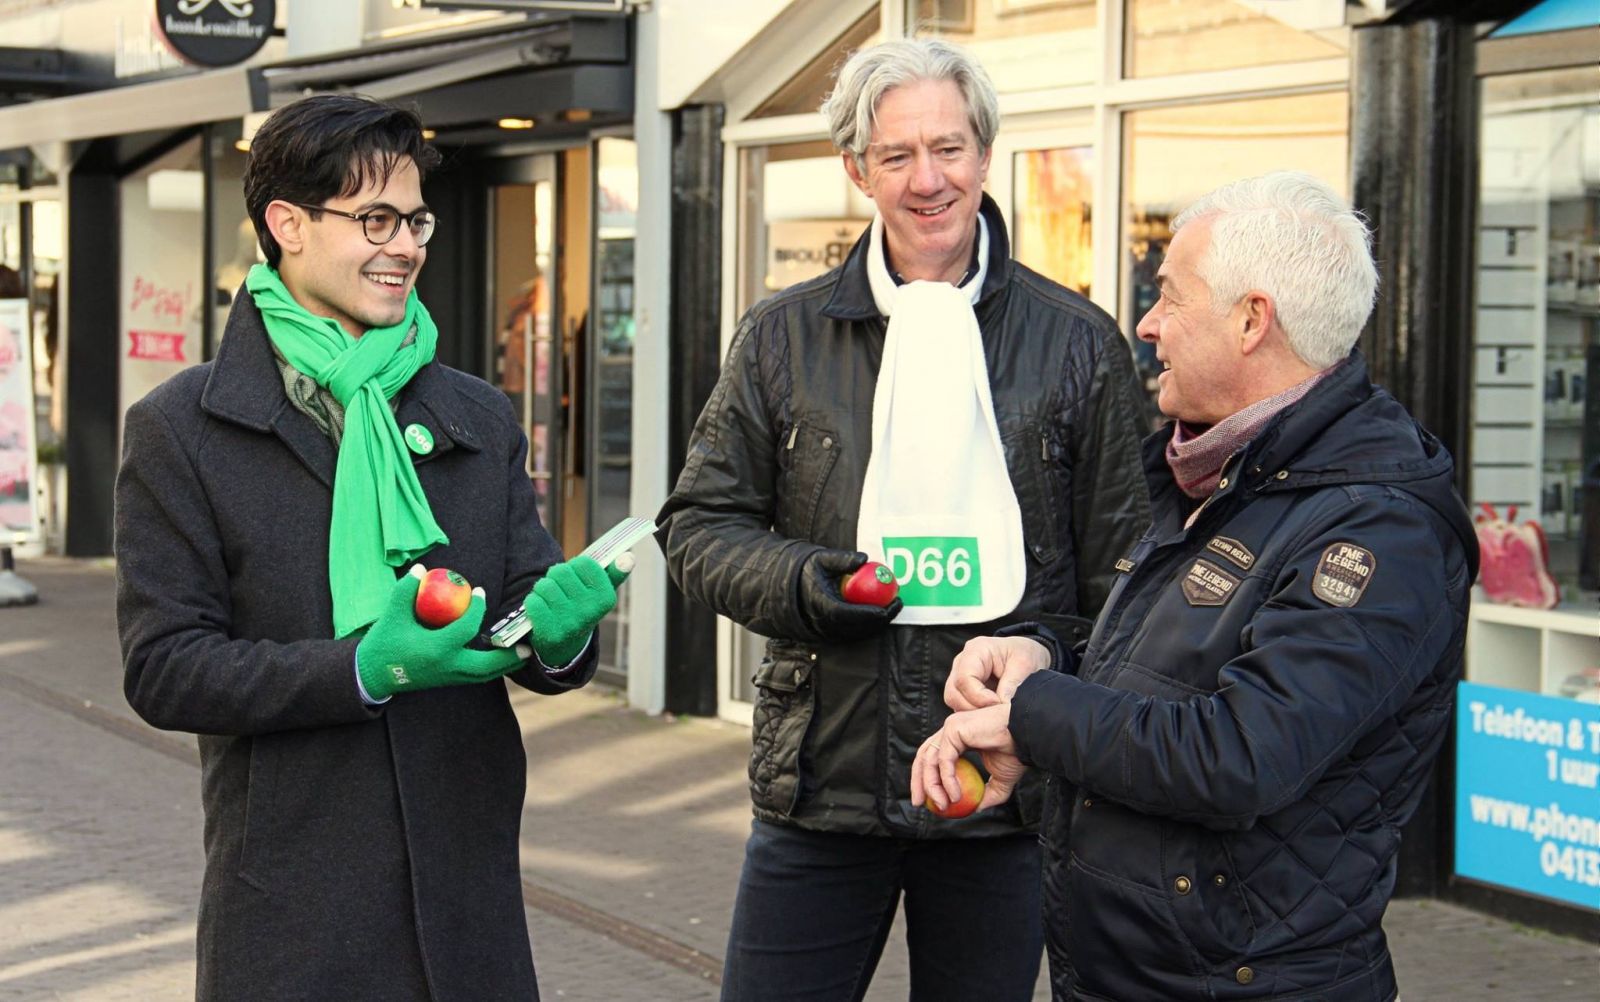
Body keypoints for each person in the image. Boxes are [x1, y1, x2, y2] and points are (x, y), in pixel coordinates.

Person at [655, 38, 1149, 1001]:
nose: (929, 180)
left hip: (1002, 800)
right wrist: (812, 584)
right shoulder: (783, 336)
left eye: (950, 148)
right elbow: (699, 528)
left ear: (985, 154)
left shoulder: (1078, 343)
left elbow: (1131, 580)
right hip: (822, 788)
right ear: (856, 170)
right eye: (897, 156)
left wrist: (1045, 654)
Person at [913, 172, 1479, 1002]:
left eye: (1170, 298)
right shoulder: (1214, 472)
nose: (1146, 325)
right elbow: (1163, 667)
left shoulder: (1378, 528)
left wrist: (1034, 720)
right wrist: (1042, 658)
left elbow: (1239, 753)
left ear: (1253, 321)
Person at [115, 94, 625, 1001]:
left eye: (416, 218)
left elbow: (521, 592)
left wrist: (560, 636)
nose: (406, 245)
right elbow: (165, 668)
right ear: (288, 225)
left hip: (466, 902)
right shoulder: (179, 431)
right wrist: (364, 669)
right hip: (290, 902)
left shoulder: (474, 413)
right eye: (374, 218)